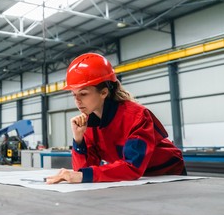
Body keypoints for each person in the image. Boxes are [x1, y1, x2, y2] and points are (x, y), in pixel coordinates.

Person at [46, 52, 186, 184]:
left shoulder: (137, 116)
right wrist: (78, 140)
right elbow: (83, 170)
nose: (77, 100)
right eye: (73, 94)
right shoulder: (89, 124)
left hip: (168, 175)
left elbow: (132, 167)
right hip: (139, 179)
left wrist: (82, 175)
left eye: (83, 93)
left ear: (104, 92)